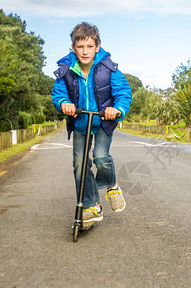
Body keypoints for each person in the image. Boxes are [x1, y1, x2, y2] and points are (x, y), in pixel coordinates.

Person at [52, 22, 132, 229]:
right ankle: (91, 206)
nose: (84, 51)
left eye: (89, 46)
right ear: (73, 48)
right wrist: (64, 104)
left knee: (100, 157)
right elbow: (58, 94)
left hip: (103, 121)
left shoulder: (108, 68)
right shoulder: (65, 70)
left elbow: (123, 93)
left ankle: (112, 186)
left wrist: (117, 110)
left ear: (97, 47)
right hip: (80, 122)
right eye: (80, 47)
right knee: (79, 165)